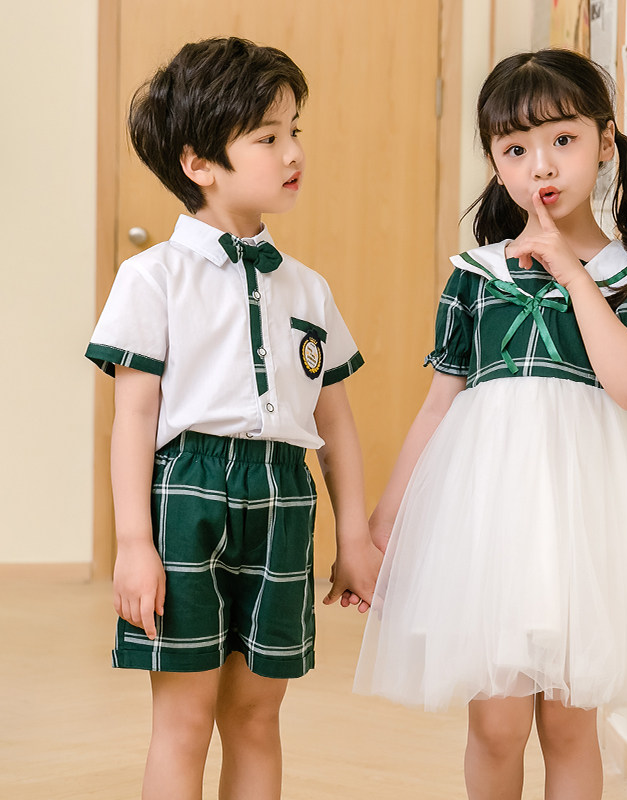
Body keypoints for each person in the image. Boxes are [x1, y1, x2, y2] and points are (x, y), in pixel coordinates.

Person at [354, 49, 627, 800]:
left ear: (605, 141)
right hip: (490, 523)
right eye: (515, 149)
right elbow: (439, 404)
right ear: (496, 165)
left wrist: (573, 273)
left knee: (572, 724)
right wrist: (385, 524)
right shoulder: (476, 274)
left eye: (562, 140)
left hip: (586, 522)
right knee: (497, 725)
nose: (540, 164)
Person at [86, 37, 381, 799]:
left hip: (283, 498)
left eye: (296, 132)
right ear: (198, 163)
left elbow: (336, 424)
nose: (292, 153)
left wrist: (353, 535)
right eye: (268, 137)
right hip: (188, 494)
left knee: (256, 716)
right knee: (184, 719)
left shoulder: (308, 290)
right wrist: (132, 545)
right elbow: (134, 418)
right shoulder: (151, 278)